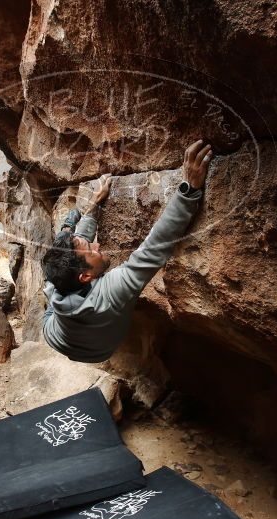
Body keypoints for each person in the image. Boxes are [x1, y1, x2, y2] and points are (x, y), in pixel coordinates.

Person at [41, 140, 213, 362]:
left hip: (60, 334)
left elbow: (77, 253)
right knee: (56, 269)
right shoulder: (112, 293)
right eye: (91, 248)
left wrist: (94, 205)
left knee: (54, 272)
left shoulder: (67, 281)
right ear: (86, 277)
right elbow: (153, 248)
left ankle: (67, 230)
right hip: (94, 349)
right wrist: (188, 190)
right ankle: (67, 229)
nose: (98, 245)